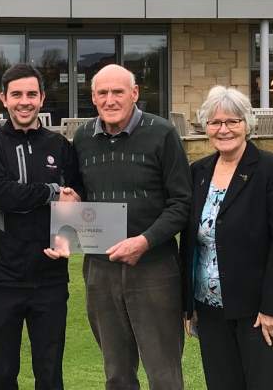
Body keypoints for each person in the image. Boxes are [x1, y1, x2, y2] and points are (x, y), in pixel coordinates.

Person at [72, 64, 191, 389]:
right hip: (100, 269)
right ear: (93, 97)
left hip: (154, 267)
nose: (110, 100)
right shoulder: (82, 137)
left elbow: (182, 203)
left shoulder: (162, 133)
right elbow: (79, 194)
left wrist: (144, 241)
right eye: (102, 93)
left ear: (135, 93)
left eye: (118, 92)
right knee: (117, 374)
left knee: (164, 374)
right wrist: (70, 203)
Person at [180, 86, 273, 390]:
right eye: (215, 122)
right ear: (205, 127)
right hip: (210, 309)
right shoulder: (198, 172)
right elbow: (190, 241)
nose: (223, 129)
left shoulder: (272, 169)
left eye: (232, 121)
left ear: (247, 124)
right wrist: (188, 304)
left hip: (261, 311)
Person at [0, 63, 82, 390]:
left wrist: (67, 238)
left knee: (50, 374)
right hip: (0, 276)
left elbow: (76, 200)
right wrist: (50, 191)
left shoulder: (60, 146)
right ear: (3, 99)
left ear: (42, 98)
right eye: (17, 94)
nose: (24, 101)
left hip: (50, 277)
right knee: (3, 374)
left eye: (31, 94)